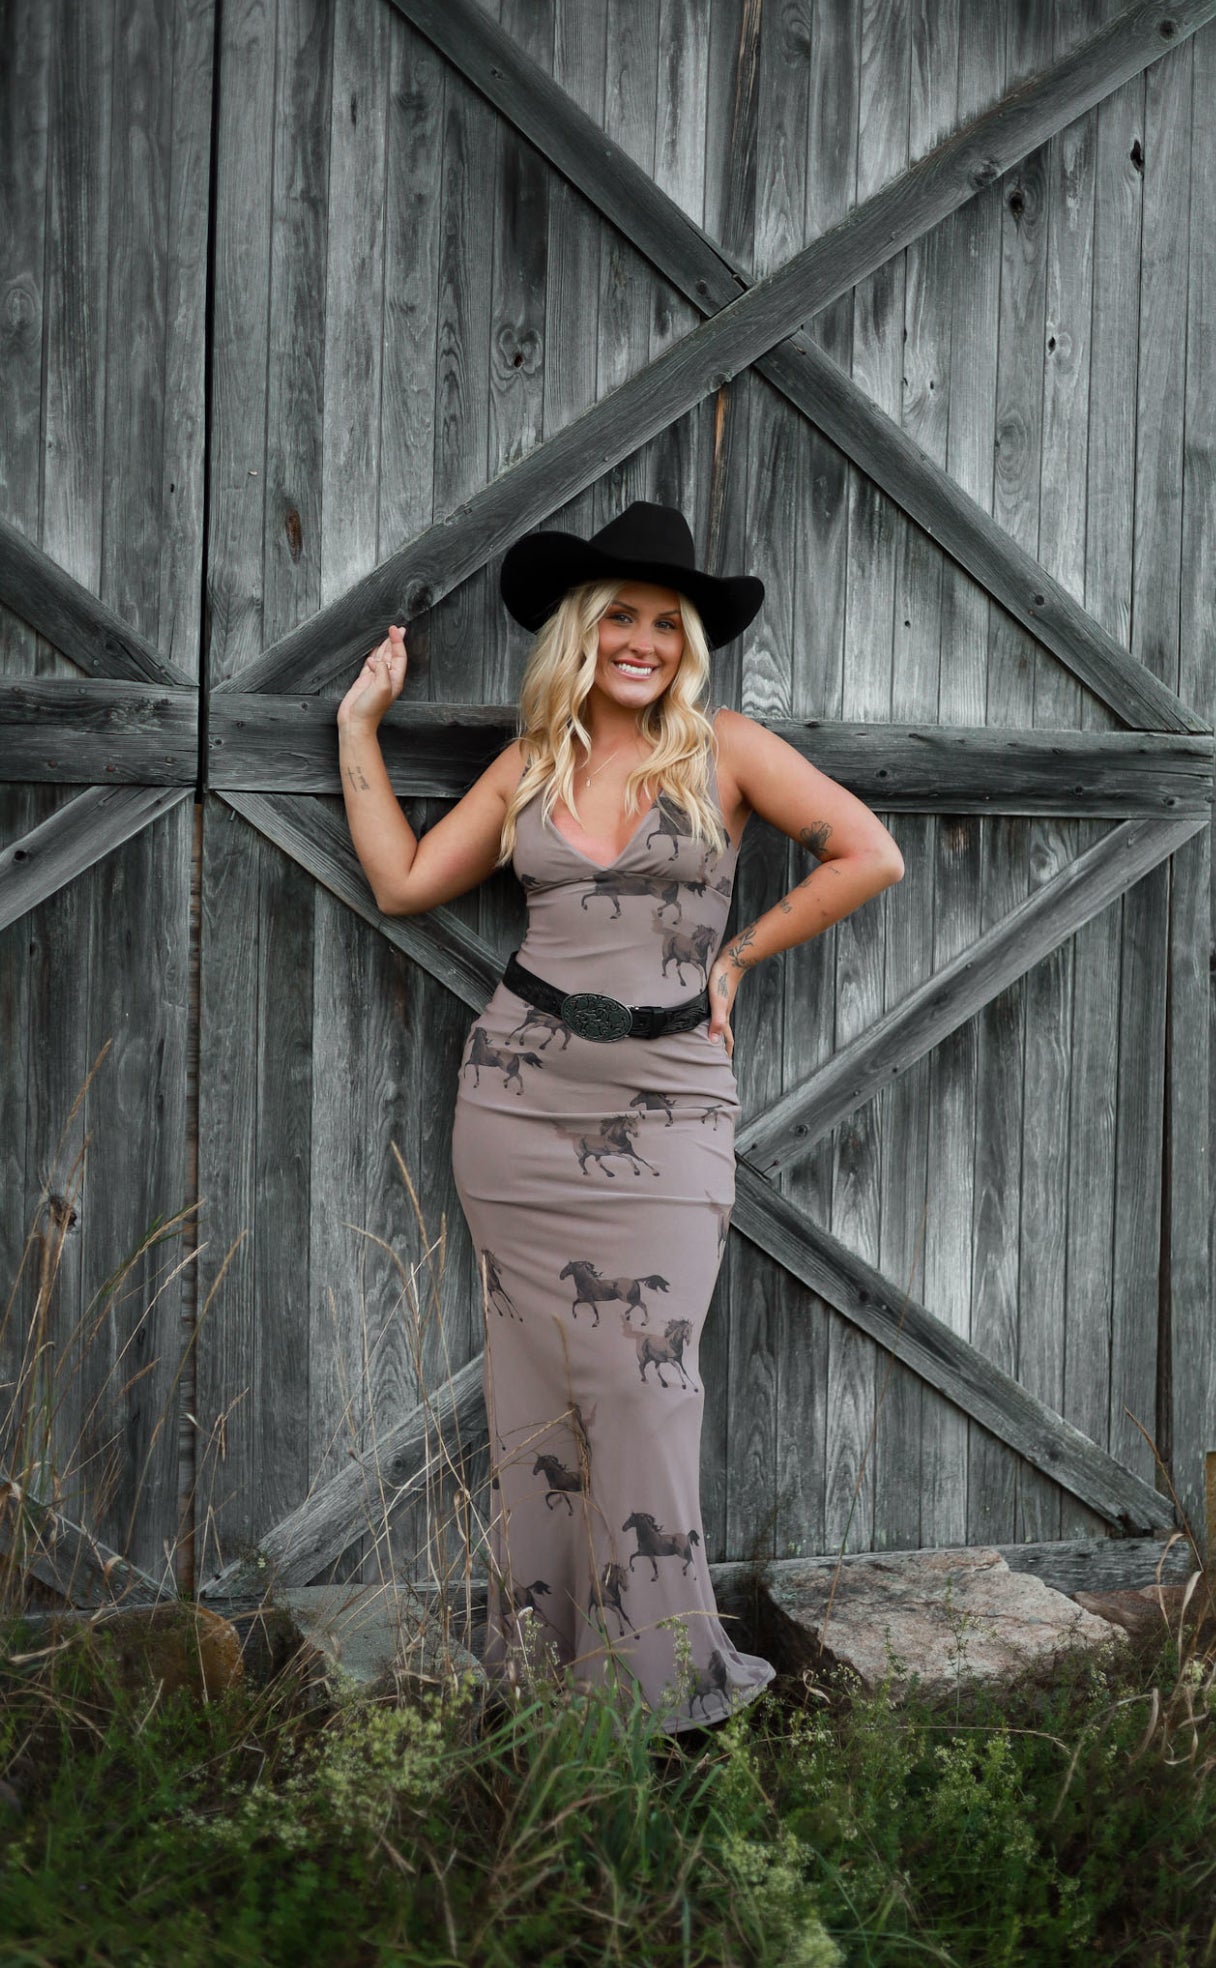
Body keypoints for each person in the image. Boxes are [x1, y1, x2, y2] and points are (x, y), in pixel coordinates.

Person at [336, 500, 904, 1739]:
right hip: (516, 1108)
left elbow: (869, 854)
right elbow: (403, 880)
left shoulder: (726, 751)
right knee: (534, 1401)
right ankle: (545, 1687)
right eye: (621, 618)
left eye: (666, 622)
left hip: (672, 1107)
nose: (643, 640)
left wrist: (738, 956)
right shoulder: (532, 764)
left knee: (647, 1393)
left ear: (687, 645)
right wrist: (356, 728)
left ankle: (661, 1691)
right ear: (582, 632)